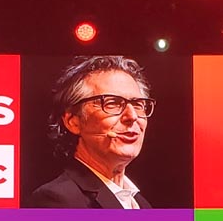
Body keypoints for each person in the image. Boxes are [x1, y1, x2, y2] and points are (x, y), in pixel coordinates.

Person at [30, 55, 155, 209]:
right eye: (112, 103)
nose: (132, 116)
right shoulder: (57, 200)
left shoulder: (141, 204)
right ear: (73, 122)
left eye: (137, 104)